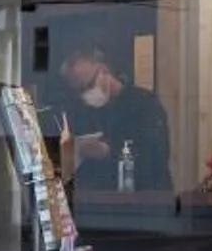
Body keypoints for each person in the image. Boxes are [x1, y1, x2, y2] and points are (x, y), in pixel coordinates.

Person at [63, 45, 172, 193]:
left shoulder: (144, 104)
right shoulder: (83, 111)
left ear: (104, 71)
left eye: (88, 85)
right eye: (79, 89)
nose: (85, 94)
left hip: (146, 198)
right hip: (100, 201)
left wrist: (108, 151)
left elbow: (155, 155)